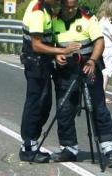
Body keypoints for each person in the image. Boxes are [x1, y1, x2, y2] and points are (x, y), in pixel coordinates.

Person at [51, 0, 112, 168]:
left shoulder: (88, 18)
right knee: (64, 109)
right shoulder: (54, 20)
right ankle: (68, 148)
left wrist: (92, 60)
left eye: (73, 7)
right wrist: (56, 55)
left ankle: (110, 151)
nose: (70, 10)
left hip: (88, 68)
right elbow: (51, 44)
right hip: (66, 71)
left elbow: (99, 42)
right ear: (61, 5)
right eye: (67, 7)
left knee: (98, 108)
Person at [19, 0, 80, 162]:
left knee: (44, 105)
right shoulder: (38, 11)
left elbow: (46, 40)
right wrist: (62, 50)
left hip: (42, 64)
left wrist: (55, 54)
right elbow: (36, 45)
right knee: (36, 105)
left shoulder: (46, 9)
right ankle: (28, 147)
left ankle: (31, 144)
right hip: (36, 64)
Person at [98, 2, 112, 102]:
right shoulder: (109, 20)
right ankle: (102, 95)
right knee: (107, 71)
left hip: (100, 45)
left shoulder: (100, 19)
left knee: (101, 70)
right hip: (108, 46)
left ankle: (99, 94)